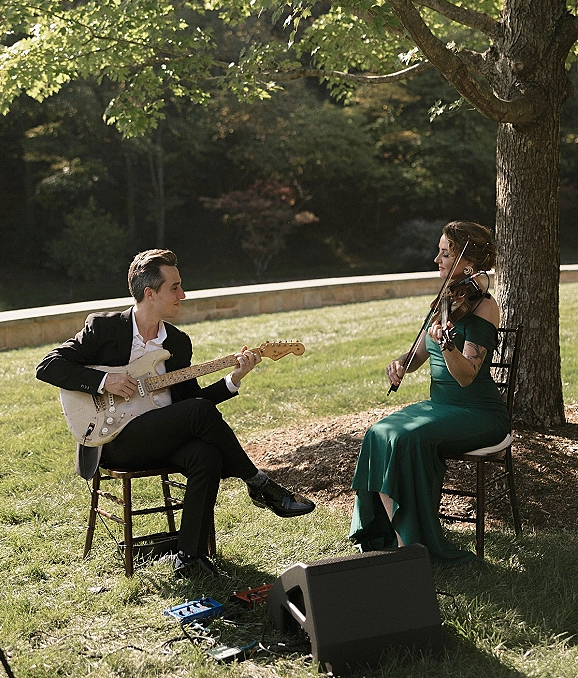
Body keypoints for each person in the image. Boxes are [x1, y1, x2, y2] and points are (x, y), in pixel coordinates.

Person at [36, 249, 314, 578]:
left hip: (162, 437)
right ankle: (259, 484)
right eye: (175, 287)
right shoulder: (104, 328)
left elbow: (193, 402)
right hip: (114, 439)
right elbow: (47, 366)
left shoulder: (178, 343)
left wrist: (234, 379)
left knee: (207, 455)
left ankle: (188, 558)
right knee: (197, 415)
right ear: (149, 293)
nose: (182, 294)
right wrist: (104, 381)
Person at [349, 221, 510, 566]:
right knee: (379, 432)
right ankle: (392, 536)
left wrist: (447, 344)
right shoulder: (446, 301)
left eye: (445, 253)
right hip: (441, 407)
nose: (436, 258)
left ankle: (414, 545)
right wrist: (400, 363)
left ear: (467, 264)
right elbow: (418, 357)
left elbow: (467, 375)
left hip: (478, 413)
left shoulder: (484, 308)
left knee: (407, 439)